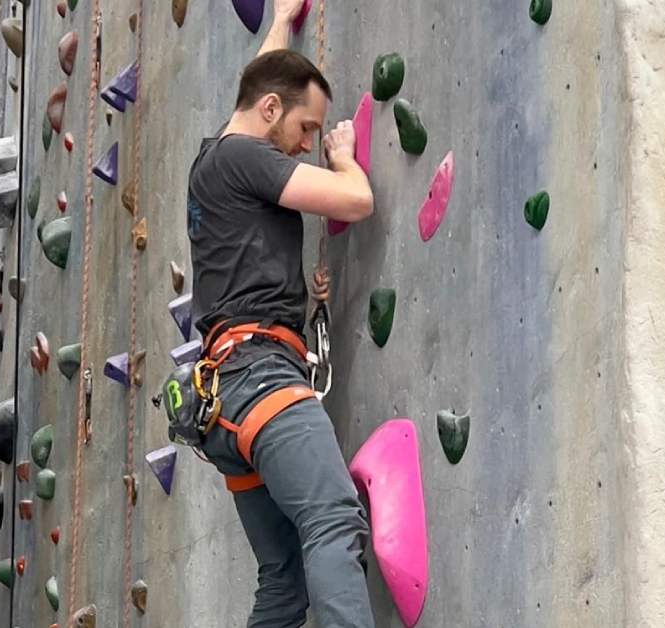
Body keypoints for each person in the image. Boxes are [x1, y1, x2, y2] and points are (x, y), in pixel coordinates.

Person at [184, 0, 376, 626]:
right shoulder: (248, 159)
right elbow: (354, 201)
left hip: (225, 402)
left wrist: (279, 23)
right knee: (332, 517)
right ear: (271, 110)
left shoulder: (213, 159)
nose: (307, 145)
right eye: (307, 129)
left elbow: (263, 86)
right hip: (261, 376)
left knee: (284, 581)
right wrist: (344, 157)